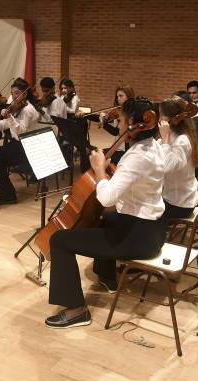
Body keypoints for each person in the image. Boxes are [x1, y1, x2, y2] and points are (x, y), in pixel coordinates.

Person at [45, 97, 166, 328]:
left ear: (132, 123)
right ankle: (107, 278)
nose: (118, 122)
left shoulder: (136, 157)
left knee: (59, 240)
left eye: (121, 118)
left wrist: (100, 169)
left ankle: (76, 310)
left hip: (139, 238)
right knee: (103, 217)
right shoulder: (155, 146)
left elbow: (107, 197)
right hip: (154, 228)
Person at [0, 77, 40, 204]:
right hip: (17, 144)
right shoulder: (17, 107)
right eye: (12, 93)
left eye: (16, 93)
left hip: (27, 146)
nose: (13, 96)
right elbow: (7, 125)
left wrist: (9, 117)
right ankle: (7, 191)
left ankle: (8, 194)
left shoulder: (28, 110)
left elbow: (21, 132)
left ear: (24, 94)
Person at [158, 96, 198, 219]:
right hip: (173, 197)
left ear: (172, 118)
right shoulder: (173, 133)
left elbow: (167, 167)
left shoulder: (182, 140)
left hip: (180, 204)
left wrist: (165, 139)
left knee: (142, 207)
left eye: (161, 115)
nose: (159, 118)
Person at [97, 85, 135, 166]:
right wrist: (85, 115)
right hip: (116, 147)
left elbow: (115, 132)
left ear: (129, 97)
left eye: (121, 96)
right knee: (96, 155)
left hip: (124, 149)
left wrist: (103, 124)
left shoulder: (132, 114)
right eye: (117, 96)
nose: (118, 99)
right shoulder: (118, 111)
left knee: (99, 159)